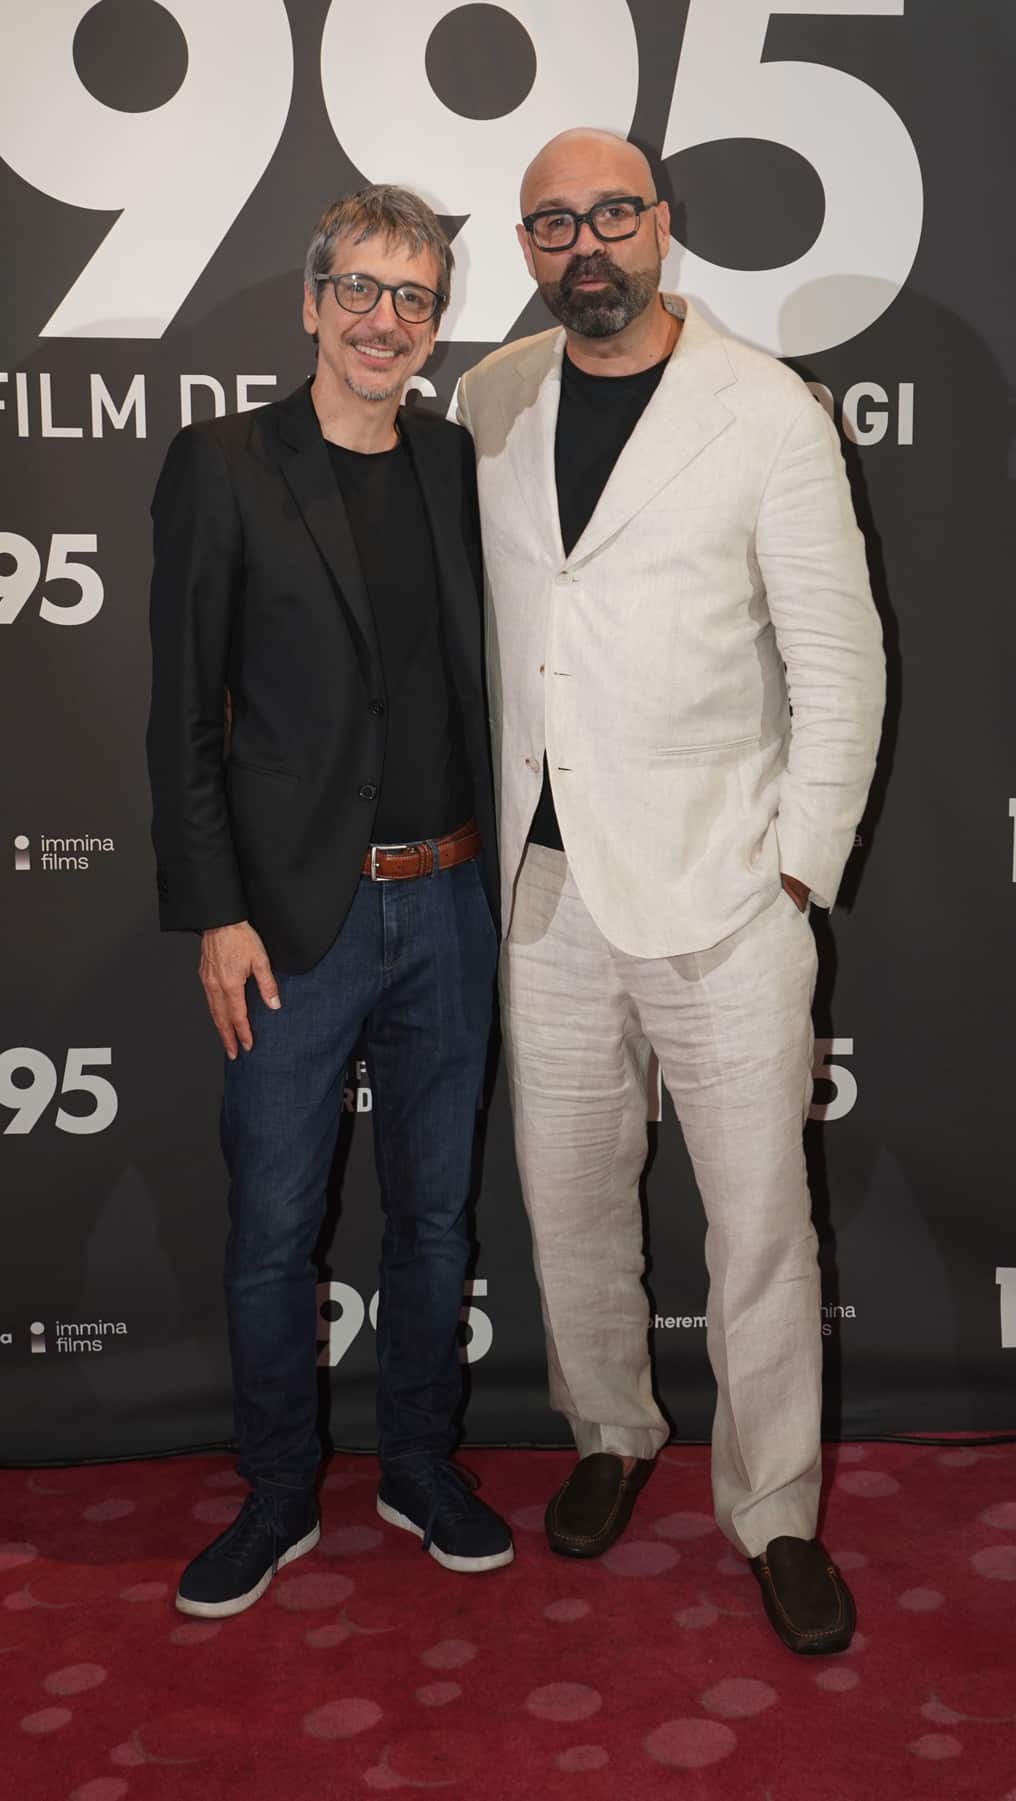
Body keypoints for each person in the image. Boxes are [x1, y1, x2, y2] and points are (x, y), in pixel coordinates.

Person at [457, 131, 884, 1654]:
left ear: (664, 228)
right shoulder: (491, 396)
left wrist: (795, 870)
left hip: (722, 892)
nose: (590, 245)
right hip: (544, 892)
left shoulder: (768, 413)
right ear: (526, 247)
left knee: (761, 1227)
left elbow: (839, 663)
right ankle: (610, 1430)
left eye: (614, 215)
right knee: (568, 1204)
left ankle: (775, 1508)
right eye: (556, 222)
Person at [147, 185, 511, 1619]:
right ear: (309, 302)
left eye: (412, 298)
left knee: (435, 1220)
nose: (382, 320)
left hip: (454, 905)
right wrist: (216, 912)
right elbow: (182, 711)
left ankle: (420, 1461)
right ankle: (279, 1488)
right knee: (275, 1224)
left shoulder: (454, 463)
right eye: (357, 289)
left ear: (437, 323)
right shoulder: (224, 464)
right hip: (295, 920)